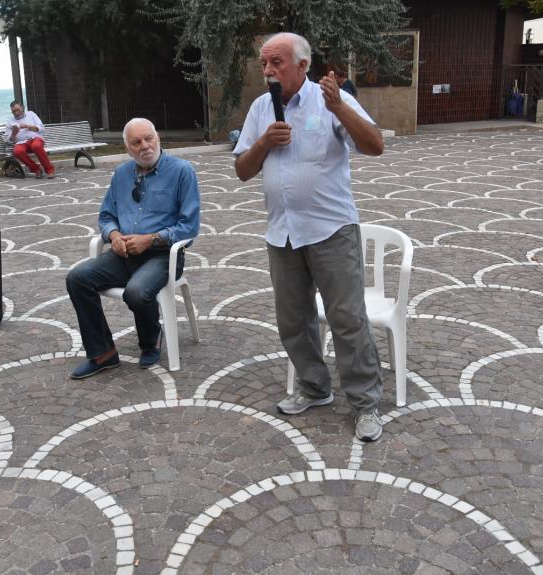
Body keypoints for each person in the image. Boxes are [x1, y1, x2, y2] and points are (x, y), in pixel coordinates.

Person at [233, 32, 386, 442]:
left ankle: (365, 403)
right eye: (264, 63)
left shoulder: (329, 99)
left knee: (347, 320)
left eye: (276, 62)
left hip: (330, 230)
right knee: (293, 321)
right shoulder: (261, 108)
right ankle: (315, 388)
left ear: (302, 65)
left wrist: (341, 108)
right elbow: (243, 170)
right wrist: (265, 142)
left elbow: (375, 145)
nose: (268, 70)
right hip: (281, 234)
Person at [66, 118, 200, 379]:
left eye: (148, 138)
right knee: (77, 278)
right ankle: (102, 353)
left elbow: (189, 227)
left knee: (136, 292)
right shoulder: (122, 174)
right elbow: (106, 216)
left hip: (163, 256)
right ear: (128, 147)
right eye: (136, 142)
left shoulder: (182, 171)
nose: (145, 146)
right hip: (123, 254)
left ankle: (151, 340)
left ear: (157, 137)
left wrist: (150, 239)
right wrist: (114, 235)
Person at [3, 101, 55, 178]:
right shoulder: (10, 122)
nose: (16, 113)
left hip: (35, 138)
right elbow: (8, 140)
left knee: (36, 146)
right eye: (14, 111)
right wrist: (14, 133)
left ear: (22, 107)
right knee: (18, 151)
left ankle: (50, 170)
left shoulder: (31, 114)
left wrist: (27, 126)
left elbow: (41, 128)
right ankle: (36, 169)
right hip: (21, 142)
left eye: (18, 109)